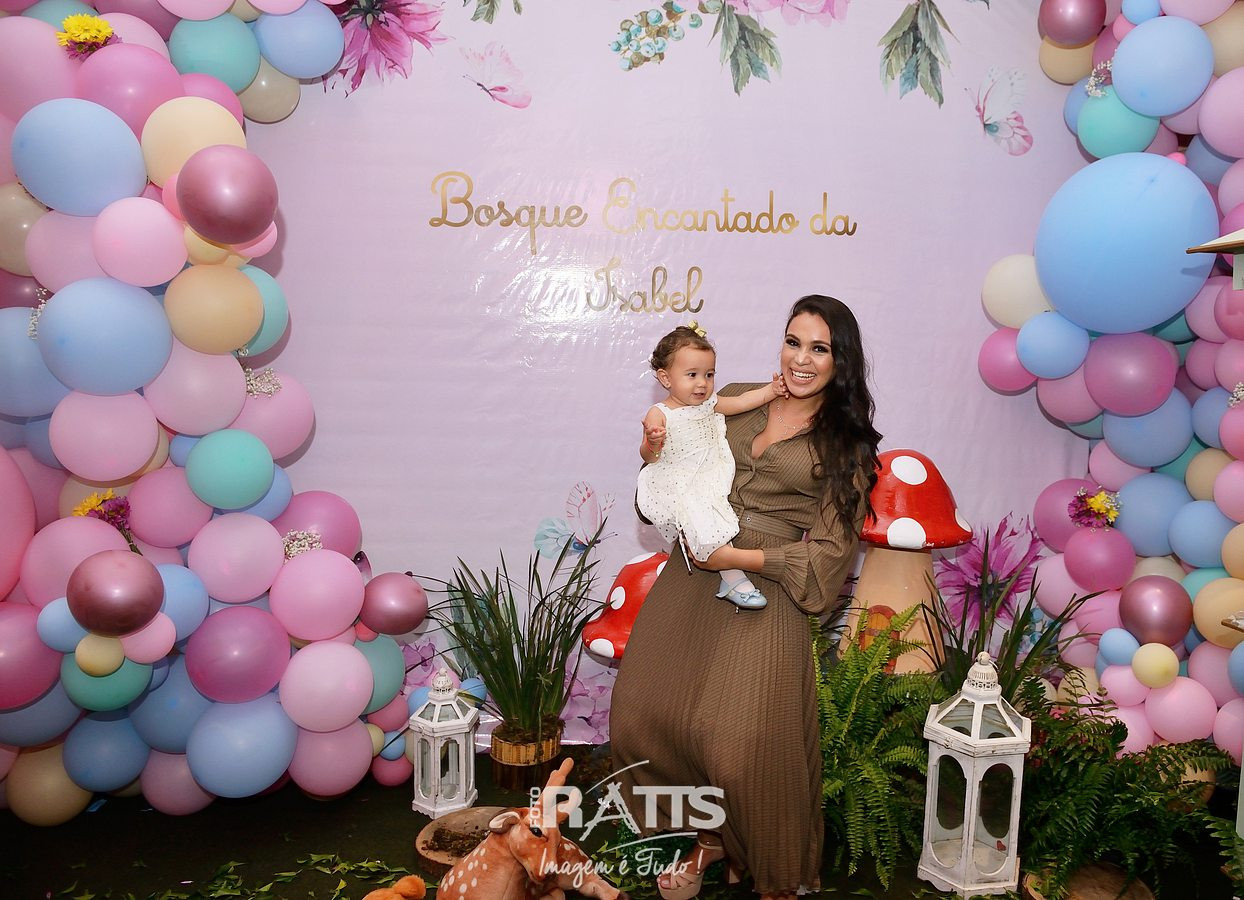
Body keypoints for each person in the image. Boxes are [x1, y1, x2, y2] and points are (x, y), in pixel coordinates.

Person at [610, 295, 882, 900]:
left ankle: (771, 870)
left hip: (765, 584)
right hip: (692, 570)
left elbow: (830, 555)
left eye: (819, 348)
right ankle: (714, 839)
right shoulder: (729, 397)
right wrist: (652, 455)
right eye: (793, 341)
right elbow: (666, 482)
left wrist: (738, 559)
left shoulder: (847, 444)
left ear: (841, 361)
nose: (801, 359)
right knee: (640, 713)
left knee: (740, 745)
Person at [637, 322, 787, 609]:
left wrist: (771, 390)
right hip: (678, 480)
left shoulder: (709, 403)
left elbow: (741, 402)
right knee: (703, 521)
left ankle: (728, 574)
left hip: (708, 475)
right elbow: (649, 457)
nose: (702, 383)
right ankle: (733, 578)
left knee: (716, 517)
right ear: (666, 378)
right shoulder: (660, 413)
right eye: (692, 375)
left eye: (709, 374)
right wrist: (653, 442)